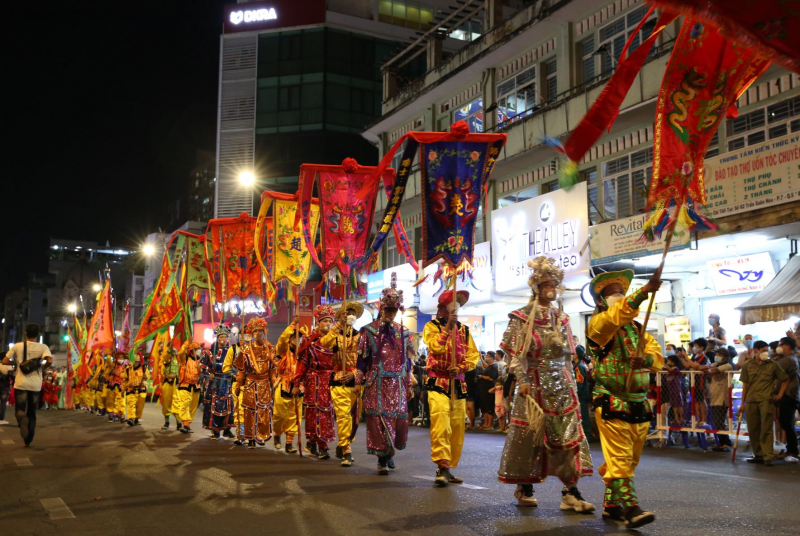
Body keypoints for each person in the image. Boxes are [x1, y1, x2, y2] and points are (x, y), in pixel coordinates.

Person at [498, 256, 594, 512]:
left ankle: (570, 491)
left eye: (555, 283)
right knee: (531, 438)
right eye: (547, 284)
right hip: (535, 386)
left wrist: (571, 383)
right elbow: (515, 357)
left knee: (567, 437)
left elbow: (568, 355)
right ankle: (526, 486)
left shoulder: (562, 318)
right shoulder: (522, 317)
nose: (552, 288)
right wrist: (523, 380)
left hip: (562, 388)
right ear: (537, 287)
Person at [585, 267, 663, 529]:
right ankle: (631, 509)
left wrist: (646, 359)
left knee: (628, 460)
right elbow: (616, 316)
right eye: (611, 293)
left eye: (620, 291)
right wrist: (643, 292)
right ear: (600, 301)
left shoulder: (639, 330)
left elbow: (657, 358)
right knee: (620, 458)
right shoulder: (598, 325)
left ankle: (611, 505)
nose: (618, 295)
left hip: (639, 401)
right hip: (610, 399)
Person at [356, 275, 415, 475]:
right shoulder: (369, 331)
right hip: (377, 383)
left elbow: (407, 362)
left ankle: (389, 453)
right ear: (381, 309)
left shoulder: (405, 333)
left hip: (397, 384)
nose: (390, 314)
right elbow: (362, 360)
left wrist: (408, 384)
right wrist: (358, 382)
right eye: (388, 310)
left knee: (396, 420)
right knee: (379, 421)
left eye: (394, 310)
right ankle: (382, 457)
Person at [422, 289, 480, 486]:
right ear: (442, 308)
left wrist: (462, 367)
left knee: (457, 427)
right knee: (441, 425)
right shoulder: (431, 327)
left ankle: (449, 465)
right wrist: (448, 327)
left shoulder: (464, 330)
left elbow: (473, 356)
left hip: (458, 383)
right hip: (438, 382)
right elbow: (435, 348)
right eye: (452, 305)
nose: (456, 309)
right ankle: (443, 465)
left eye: (458, 306)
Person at [319, 300, 364, 466]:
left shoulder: (361, 336)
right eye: (347, 313)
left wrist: (354, 374)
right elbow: (324, 343)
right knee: (343, 415)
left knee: (354, 418)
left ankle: (343, 442)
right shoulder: (335, 335)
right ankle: (346, 449)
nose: (350, 316)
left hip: (355, 380)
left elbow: (365, 360)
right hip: (338, 379)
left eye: (353, 313)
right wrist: (338, 325)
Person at [293, 305, 337, 459]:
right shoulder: (308, 340)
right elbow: (302, 363)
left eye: (330, 321)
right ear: (318, 323)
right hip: (313, 381)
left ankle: (315, 442)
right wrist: (296, 382)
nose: (328, 324)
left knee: (326, 413)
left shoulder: (336, 341)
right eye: (324, 321)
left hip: (330, 381)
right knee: (314, 412)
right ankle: (321, 445)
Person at [2, 324, 53, 446]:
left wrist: (16, 361)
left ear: (25, 333)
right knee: (32, 412)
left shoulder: (18, 346)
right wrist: (42, 367)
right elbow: (50, 361)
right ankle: (29, 438)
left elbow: (4, 361)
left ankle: (21, 417)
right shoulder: (43, 347)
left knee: (20, 409)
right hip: (35, 384)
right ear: (38, 334)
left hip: (21, 383)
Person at [740, 341, 789, 466]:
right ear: (756, 351)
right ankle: (758, 454)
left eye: (766, 350)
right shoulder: (747, 365)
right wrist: (742, 403)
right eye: (763, 350)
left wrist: (780, 394)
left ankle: (768, 456)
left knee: (766, 428)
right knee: (753, 428)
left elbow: (785, 379)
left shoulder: (772, 365)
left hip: (766, 400)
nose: (766, 353)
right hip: (751, 400)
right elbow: (745, 385)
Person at [234, 317, 277, 449]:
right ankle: (250, 438)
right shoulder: (246, 349)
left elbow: (272, 370)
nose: (258, 334)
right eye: (255, 332)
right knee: (249, 412)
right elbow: (241, 370)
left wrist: (274, 383)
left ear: (265, 332)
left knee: (264, 411)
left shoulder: (270, 348)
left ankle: (261, 436)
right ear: (251, 334)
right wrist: (238, 384)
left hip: (264, 384)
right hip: (250, 383)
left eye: (260, 331)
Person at [201, 324, 236, 440]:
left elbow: (236, 367)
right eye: (220, 337)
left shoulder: (232, 352)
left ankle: (227, 429)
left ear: (227, 338)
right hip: (215, 383)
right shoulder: (210, 352)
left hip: (227, 383)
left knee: (229, 406)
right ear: (217, 338)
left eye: (225, 337)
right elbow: (202, 367)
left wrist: (233, 373)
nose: (223, 339)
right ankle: (215, 430)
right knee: (214, 406)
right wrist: (209, 374)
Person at [274, 318, 303, 454]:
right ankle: (277, 433)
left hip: (299, 386)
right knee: (280, 414)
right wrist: (292, 326)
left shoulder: (303, 354)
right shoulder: (283, 351)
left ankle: (289, 443)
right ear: (290, 339)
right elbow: (281, 340)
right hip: (284, 383)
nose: (299, 340)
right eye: (296, 337)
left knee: (294, 416)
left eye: (300, 338)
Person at [774, 337, 799, 463]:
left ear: (788, 346)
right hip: (792, 394)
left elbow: (773, 370)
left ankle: (792, 450)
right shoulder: (793, 358)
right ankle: (791, 449)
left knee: (786, 423)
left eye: (781, 345)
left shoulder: (788, 360)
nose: (779, 347)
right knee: (786, 423)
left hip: (788, 394)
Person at [706, 347, 734, 451]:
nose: (716, 356)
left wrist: (708, 369)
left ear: (725, 357)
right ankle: (722, 443)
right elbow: (705, 368)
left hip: (723, 397)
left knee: (719, 421)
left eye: (719, 354)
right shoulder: (715, 364)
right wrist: (707, 368)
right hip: (714, 396)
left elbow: (712, 371)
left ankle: (726, 443)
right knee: (717, 421)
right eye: (716, 354)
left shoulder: (728, 365)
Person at [174, 342, 204, 434]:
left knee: (192, 407)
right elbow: (180, 353)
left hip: (196, 386)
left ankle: (188, 425)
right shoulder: (185, 359)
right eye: (197, 349)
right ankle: (185, 424)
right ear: (192, 351)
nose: (199, 350)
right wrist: (186, 343)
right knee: (184, 404)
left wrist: (201, 370)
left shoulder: (201, 361)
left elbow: (205, 373)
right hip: (185, 385)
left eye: (199, 348)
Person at [680, 339, 711, 426]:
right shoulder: (695, 356)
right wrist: (682, 357)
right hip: (692, 381)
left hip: (700, 382)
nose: (694, 348)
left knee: (701, 400)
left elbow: (695, 366)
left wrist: (686, 357)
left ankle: (704, 419)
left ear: (701, 347)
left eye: (695, 346)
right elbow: (687, 365)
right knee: (696, 401)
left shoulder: (703, 357)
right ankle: (699, 419)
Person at [159, 342, 181, 430]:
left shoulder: (179, 359)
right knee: (166, 403)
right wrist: (169, 351)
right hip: (167, 383)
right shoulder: (166, 358)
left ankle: (179, 422)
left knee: (177, 402)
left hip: (176, 383)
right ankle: (166, 422)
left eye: (175, 348)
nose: (174, 349)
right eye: (172, 348)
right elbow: (164, 359)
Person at [124, 354, 150, 426]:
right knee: (131, 404)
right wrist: (123, 388)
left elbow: (148, 376)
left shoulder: (144, 368)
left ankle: (136, 419)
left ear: (139, 362)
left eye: (136, 362)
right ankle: (131, 418)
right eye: (133, 362)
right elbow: (125, 380)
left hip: (141, 389)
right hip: (131, 389)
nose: (134, 363)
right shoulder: (128, 369)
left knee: (139, 406)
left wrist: (146, 376)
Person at [106, 351, 130, 423]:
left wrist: (117, 373)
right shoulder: (114, 365)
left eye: (122, 357)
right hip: (112, 384)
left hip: (121, 385)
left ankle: (121, 415)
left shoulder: (126, 366)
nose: (120, 359)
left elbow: (126, 375)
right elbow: (108, 363)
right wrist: (109, 355)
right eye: (119, 357)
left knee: (121, 400)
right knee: (111, 400)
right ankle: (111, 414)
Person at [477, 352, 498, 430]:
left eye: (487, 356)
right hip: (484, 389)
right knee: (484, 407)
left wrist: (482, 376)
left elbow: (491, 378)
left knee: (489, 407)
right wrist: (481, 358)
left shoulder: (494, 366)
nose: (486, 357)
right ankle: (485, 424)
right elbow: (485, 366)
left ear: (492, 357)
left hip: (489, 389)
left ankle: (489, 425)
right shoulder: (489, 366)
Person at [1, 354, 14, 424]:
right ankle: (1, 419)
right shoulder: (8, 366)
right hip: (5, 386)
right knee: (3, 402)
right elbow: (11, 376)